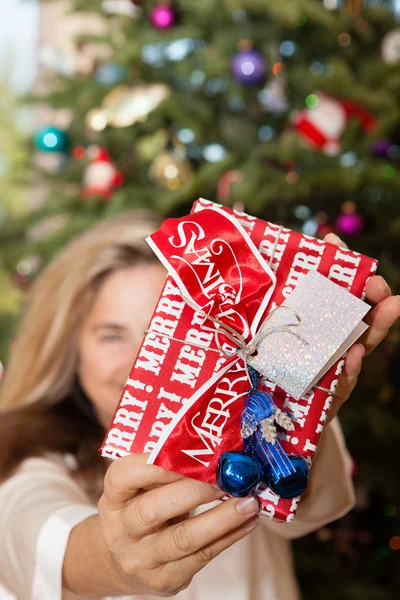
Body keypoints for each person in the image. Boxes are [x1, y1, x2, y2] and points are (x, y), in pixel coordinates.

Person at [0, 211, 398, 600]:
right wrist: (112, 558)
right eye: (112, 335)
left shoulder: (255, 422)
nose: (144, 358)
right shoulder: (31, 460)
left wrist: (299, 420)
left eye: (163, 328)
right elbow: (36, 540)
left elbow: (311, 509)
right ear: (71, 353)